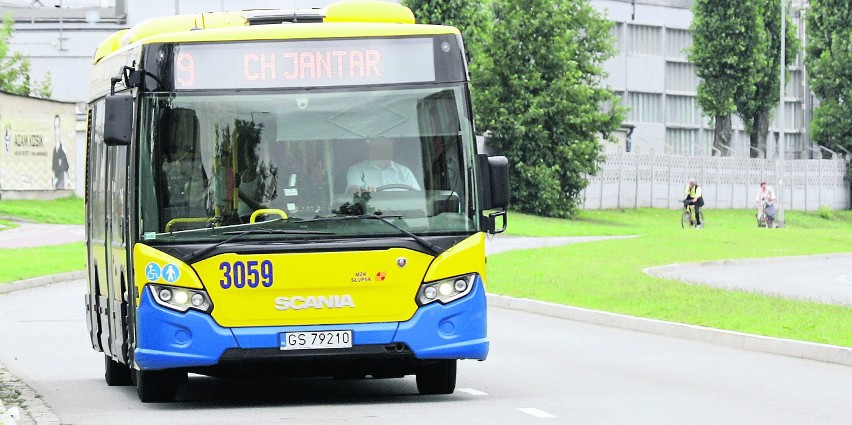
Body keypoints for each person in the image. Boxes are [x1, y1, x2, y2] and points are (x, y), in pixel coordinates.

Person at [346, 136, 420, 193]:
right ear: (370, 147)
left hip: (403, 212)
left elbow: (417, 198)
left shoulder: (405, 172)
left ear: (392, 146)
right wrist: (365, 193)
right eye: (378, 146)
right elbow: (354, 191)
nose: (382, 149)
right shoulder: (357, 170)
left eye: (386, 145)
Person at [51, 115, 70, 190]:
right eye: (55, 127)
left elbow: (67, 168)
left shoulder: (63, 150)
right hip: (57, 184)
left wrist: (68, 180)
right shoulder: (54, 150)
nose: (56, 131)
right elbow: (53, 168)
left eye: (58, 127)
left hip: (62, 184)